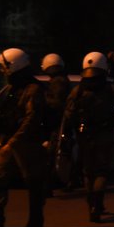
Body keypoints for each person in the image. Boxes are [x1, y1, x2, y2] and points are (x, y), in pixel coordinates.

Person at [0, 48, 48, 227]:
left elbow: (31, 119)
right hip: (10, 140)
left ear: (13, 66)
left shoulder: (33, 89)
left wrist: (12, 142)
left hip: (26, 143)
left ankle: (35, 222)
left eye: (4, 67)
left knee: (33, 183)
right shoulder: (13, 88)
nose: (2, 71)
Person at [62, 52, 114, 222]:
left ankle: (91, 204)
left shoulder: (78, 90)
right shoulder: (110, 88)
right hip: (104, 135)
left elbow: (68, 113)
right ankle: (97, 205)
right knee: (101, 171)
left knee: (88, 173)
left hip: (84, 136)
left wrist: (69, 132)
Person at [41, 53, 71, 191]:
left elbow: (56, 104)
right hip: (60, 124)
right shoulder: (61, 81)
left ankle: (51, 184)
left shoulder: (58, 82)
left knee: (52, 155)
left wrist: (43, 102)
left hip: (58, 125)